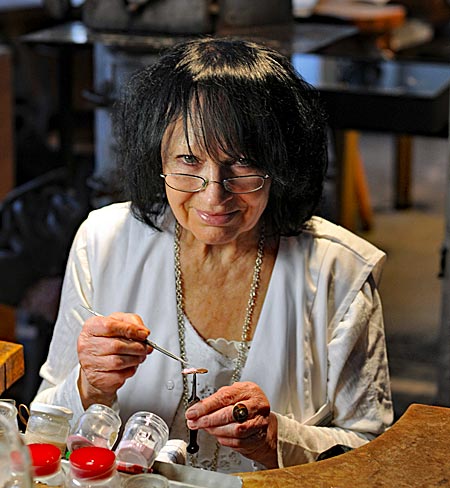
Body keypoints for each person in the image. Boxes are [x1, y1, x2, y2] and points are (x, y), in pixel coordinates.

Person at [33, 37, 393, 473]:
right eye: (188, 159)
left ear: (280, 165)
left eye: (241, 162)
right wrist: (89, 386)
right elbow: (42, 426)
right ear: (158, 157)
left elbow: (375, 454)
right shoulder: (104, 241)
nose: (214, 194)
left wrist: (276, 439)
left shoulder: (340, 272)